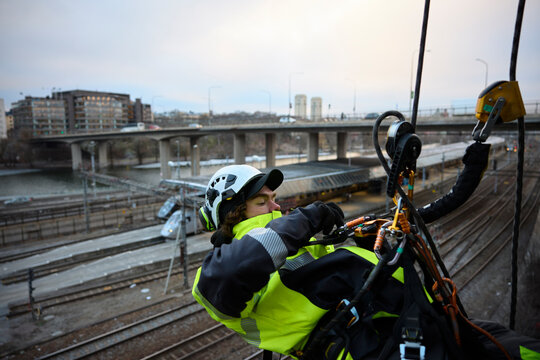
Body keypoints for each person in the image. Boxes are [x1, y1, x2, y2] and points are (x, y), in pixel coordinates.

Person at [192, 164, 540, 359]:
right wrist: (308, 218)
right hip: (366, 350)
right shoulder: (214, 275)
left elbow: (342, 275)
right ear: (232, 215)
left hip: (403, 323)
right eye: (262, 202)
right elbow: (236, 269)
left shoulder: (294, 244)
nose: (276, 208)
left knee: (505, 343)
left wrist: (369, 248)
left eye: (275, 200)